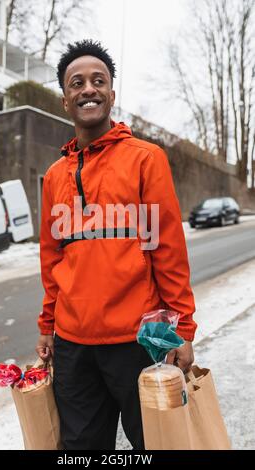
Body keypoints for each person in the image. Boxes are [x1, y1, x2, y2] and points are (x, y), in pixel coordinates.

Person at [36, 39, 197, 450]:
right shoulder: (55, 176)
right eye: (77, 83)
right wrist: (49, 326)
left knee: (156, 445)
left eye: (98, 81)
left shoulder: (146, 159)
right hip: (73, 348)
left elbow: (168, 252)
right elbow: (52, 259)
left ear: (111, 93)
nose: (88, 88)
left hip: (138, 342)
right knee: (80, 450)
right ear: (65, 100)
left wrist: (182, 331)